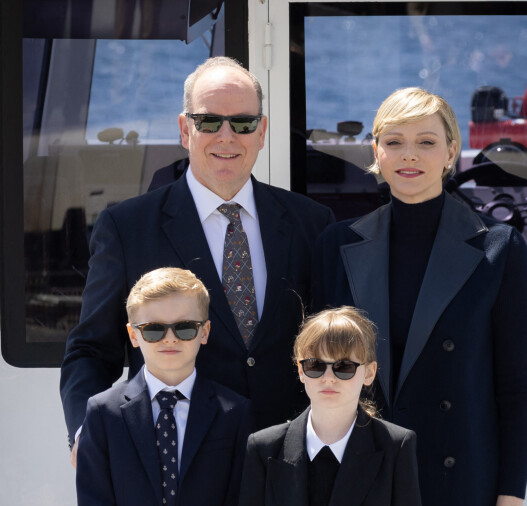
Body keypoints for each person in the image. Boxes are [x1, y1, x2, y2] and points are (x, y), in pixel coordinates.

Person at [61, 55, 334, 453]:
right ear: (184, 130)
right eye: (208, 122)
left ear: (262, 131)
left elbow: (334, 345)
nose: (226, 136)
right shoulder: (127, 228)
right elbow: (90, 350)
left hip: (290, 463)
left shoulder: (312, 223)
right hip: (175, 463)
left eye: (242, 122)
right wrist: (87, 437)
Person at [312, 88, 527, 506]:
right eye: (393, 141)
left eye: (426, 142)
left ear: (452, 151)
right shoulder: (336, 246)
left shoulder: (498, 249)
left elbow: (516, 395)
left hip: (460, 496)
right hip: (357, 487)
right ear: (376, 151)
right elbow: (318, 380)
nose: (409, 155)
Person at [76, 267, 253, 506]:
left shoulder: (235, 413)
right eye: (154, 330)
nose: (169, 339)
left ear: (204, 332)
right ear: (134, 335)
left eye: (184, 328)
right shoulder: (102, 413)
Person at [235, 306, 425, 506]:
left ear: (369, 372)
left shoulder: (395, 446)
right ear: (301, 371)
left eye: (344, 367)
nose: (328, 378)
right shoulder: (264, 448)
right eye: (315, 365)